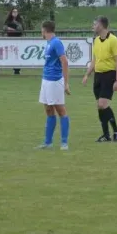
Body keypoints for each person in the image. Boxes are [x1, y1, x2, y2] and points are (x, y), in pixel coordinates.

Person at [82, 16, 117, 143]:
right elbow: (95, 59)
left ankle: (116, 131)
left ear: (101, 25)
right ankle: (106, 135)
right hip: (98, 76)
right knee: (100, 107)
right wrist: (87, 74)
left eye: (95, 24)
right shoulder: (97, 40)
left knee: (102, 104)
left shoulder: (113, 40)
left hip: (109, 75)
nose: (93, 26)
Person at [36, 21, 71, 150]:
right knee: (48, 110)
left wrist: (66, 83)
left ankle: (64, 142)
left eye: (41, 30)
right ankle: (48, 142)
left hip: (55, 81)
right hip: (46, 80)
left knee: (60, 110)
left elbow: (65, 62)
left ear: (44, 30)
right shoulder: (49, 43)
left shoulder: (56, 42)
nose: (41, 33)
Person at [3, 7, 24, 75]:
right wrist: (11, 29)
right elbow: (4, 28)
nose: (15, 13)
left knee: (17, 54)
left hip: (18, 38)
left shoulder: (20, 20)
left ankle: (17, 70)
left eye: (16, 12)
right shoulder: (8, 20)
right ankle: (14, 67)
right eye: (13, 12)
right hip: (10, 38)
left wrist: (16, 24)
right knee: (12, 54)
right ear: (11, 13)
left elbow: (21, 29)